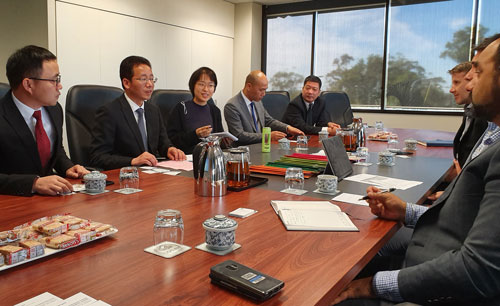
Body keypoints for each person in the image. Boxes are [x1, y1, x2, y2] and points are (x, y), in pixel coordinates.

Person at [334, 36, 500, 306]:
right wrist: (405, 211)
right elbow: (465, 219)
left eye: (478, 72)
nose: (469, 80)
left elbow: (477, 270)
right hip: (432, 258)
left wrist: (372, 285)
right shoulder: (493, 132)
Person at [0, 45, 89, 196]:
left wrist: (67, 167)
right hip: (11, 203)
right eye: (54, 80)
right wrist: (33, 183)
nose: (59, 86)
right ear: (28, 84)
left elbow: (56, 149)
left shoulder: (54, 109)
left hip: (50, 201)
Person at [90, 56, 185, 170]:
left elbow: (163, 143)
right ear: (126, 83)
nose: (150, 84)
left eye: (151, 79)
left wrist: (170, 149)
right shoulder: (109, 112)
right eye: (143, 79)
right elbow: (98, 157)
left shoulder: (153, 110)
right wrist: (132, 161)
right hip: (125, 178)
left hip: (152, 174)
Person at [224, 70, 304, 145]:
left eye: (265, 90)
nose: (264, 94)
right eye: (261, 90)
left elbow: (268, 121)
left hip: (261, 147)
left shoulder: (257, 101)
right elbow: (239, 135)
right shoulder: (232, 106)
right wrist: (268, 136)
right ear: (249, 86)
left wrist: (288, 128)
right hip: (244, 151)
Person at [167, 67, 226, 154]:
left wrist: (225, 141)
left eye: (210, 85)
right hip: (187, 157)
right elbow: (171, 140)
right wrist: (195, 135)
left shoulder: (214, 110)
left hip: (210, 157)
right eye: (201, 84)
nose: (206, 89)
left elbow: (218, 139)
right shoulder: (181, 108)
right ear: (193, 85)